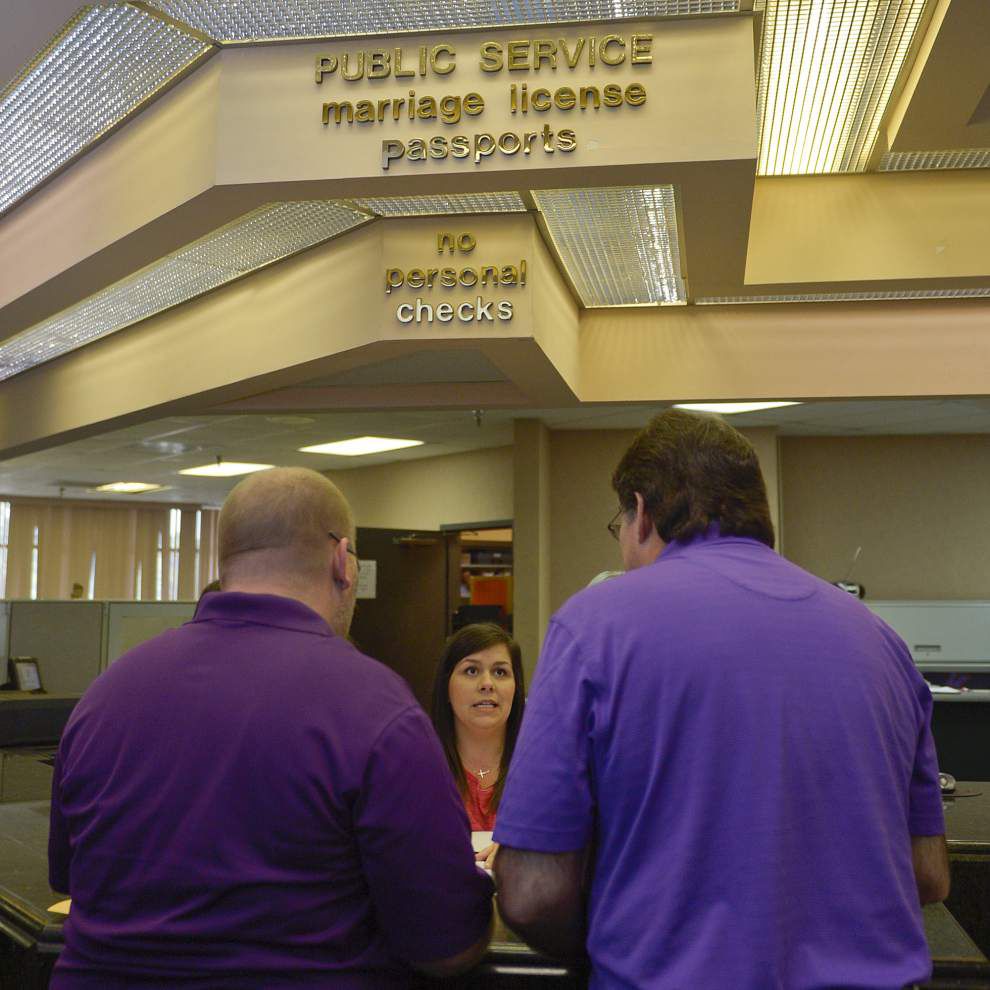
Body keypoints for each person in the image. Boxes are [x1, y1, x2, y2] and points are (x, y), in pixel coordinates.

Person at [493, 410, 949, 989]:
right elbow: (928, 874)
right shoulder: (882, 642)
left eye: (620, 525)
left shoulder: (593, 627)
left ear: (642, 511)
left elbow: (532, 893)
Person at [49, 467, 492, 988]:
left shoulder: (105, 696)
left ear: (227, 559)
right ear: (341, 560)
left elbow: (67, 879)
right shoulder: (375, 706)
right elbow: (446, 944)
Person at [430, 623, 525, 870]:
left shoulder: (544, 766)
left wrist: (527, 845)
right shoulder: (418, 766)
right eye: (471, 671)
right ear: (446, 686)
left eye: (500, 672)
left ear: (517, 688)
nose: (487, 684)